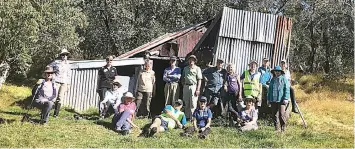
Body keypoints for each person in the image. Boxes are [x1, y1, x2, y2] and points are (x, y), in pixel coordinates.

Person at [48, 48, 72, 118]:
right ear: (61, 55)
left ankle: (56, 114)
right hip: (56, 81)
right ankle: (47, 111)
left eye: (66, 55)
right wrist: (51, 75)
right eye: (63, 55)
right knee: (53, 96)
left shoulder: (68, 64)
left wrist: (69, 84)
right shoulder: (56, 62)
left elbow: (69, 75)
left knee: (60, 97)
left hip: (64, 82)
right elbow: (48, 67)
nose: (64, 56)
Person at [268, 66, 290, 132]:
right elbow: (270, 90)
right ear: (274, 72)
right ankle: (276, 128)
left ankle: (283, 129)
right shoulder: (272, 79)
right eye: (276, 71)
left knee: (281, 114)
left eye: (278, 71)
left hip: (281, 100)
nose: (277, 72)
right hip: (273, 99)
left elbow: (287, 89)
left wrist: (286, 98)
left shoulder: (284, 79)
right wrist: (269, 99)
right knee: (274, 114)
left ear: (281, 72)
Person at [182, 55, 202, 120]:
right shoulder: (185, 68)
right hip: (186, 86)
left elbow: (199, 79)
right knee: (186, 102)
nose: (191, 61)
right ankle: (187, 117)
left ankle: (193, 117)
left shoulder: (197, 68)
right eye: (190, 60)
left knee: (193, 103)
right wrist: (184, 85)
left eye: (193, 60)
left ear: (195, 61)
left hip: (193, 86)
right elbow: (182, 78)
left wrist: (198, 89)